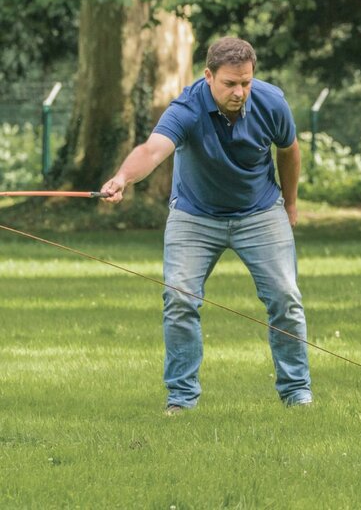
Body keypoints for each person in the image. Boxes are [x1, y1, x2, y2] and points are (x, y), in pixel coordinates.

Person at [101, 36, 312, 414]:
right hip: (194, 216)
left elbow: (289, 150)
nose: (240, 92)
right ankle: (181, 399)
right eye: (230, 83)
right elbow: (153, 150)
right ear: (208, 76)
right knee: (179, 299)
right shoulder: (186, 108)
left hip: (260, 213)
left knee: (285, 298)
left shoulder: (271, 103)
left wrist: (291, 204)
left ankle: (297, 392)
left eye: (246, 82)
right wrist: (122, 179)